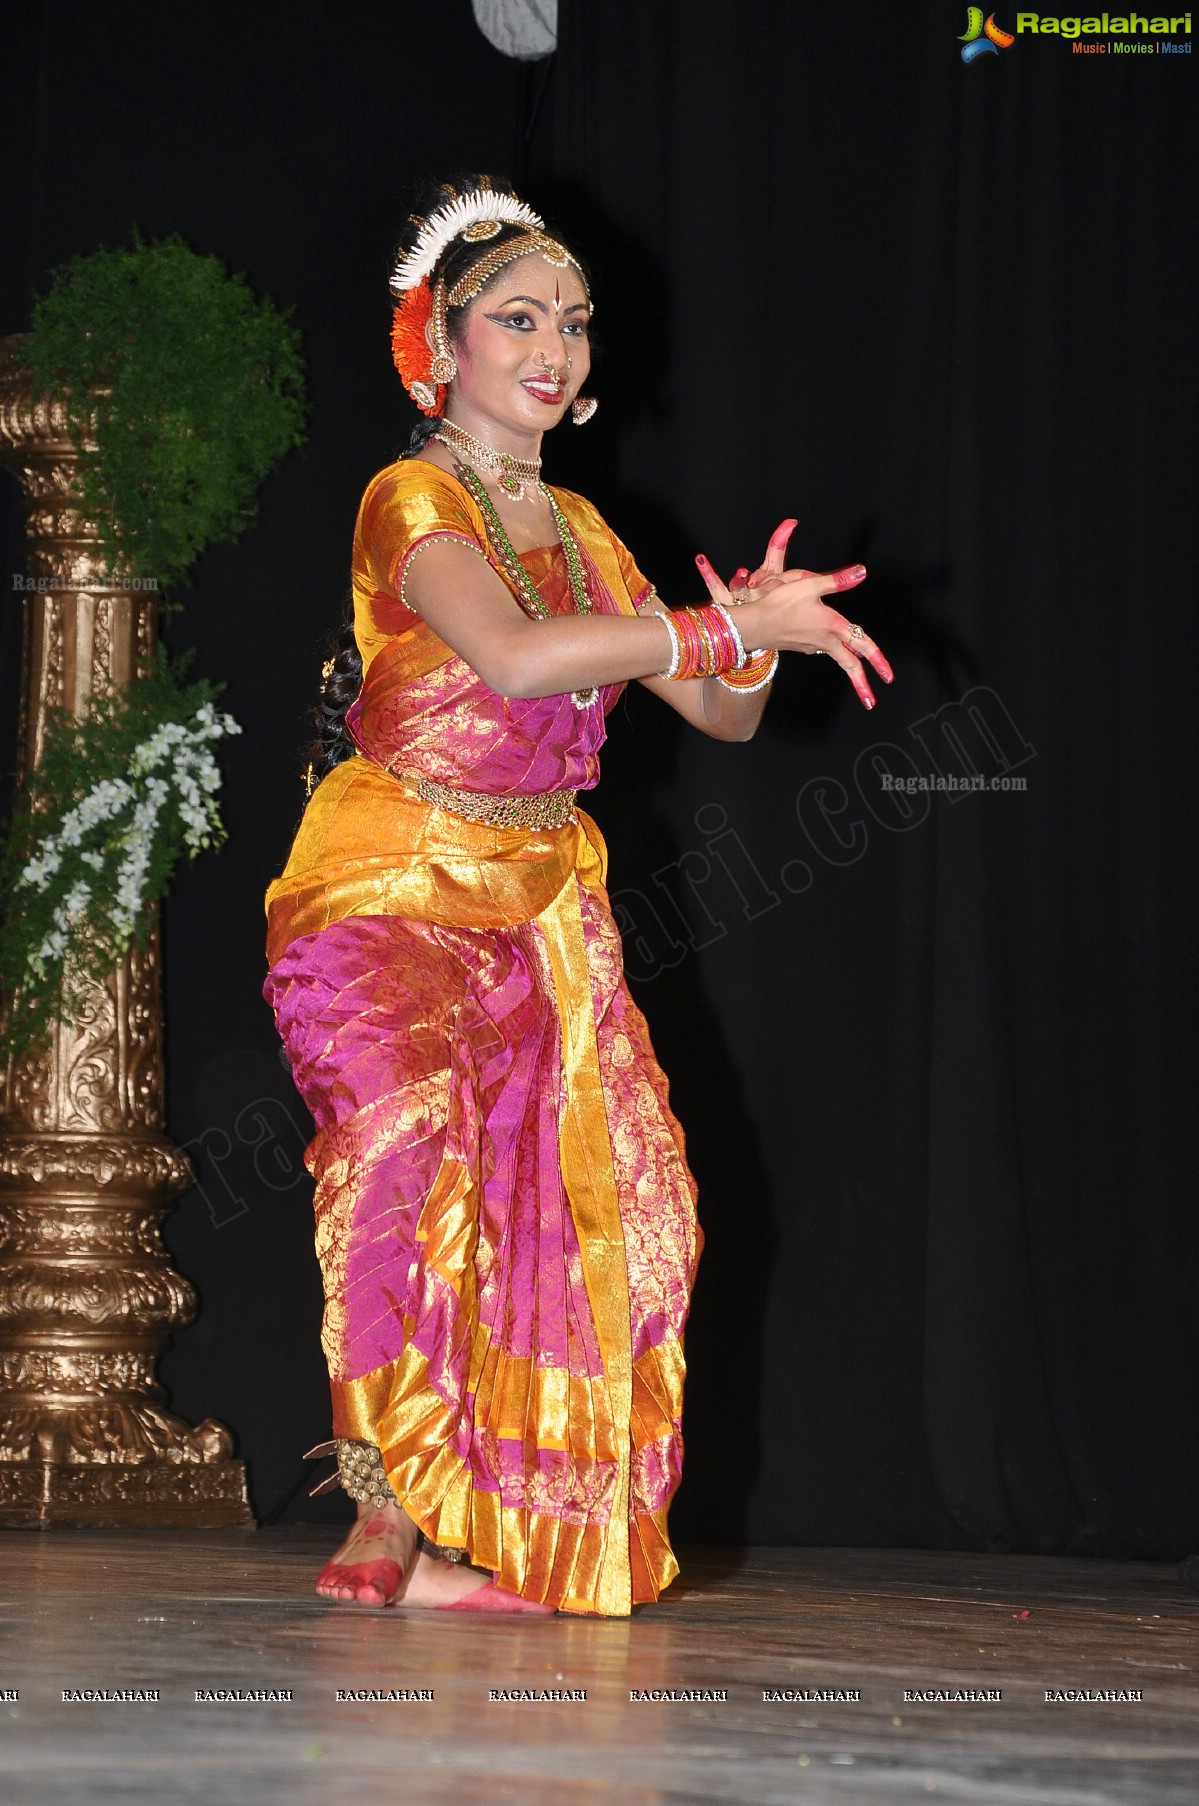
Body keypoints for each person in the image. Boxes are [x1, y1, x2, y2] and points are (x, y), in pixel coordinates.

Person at [263, 176, 891, 1617]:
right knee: (398, 1160)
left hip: (537, 905)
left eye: (577, 323)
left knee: (614, 1208)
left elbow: (717, 715)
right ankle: (379, 1502)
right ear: (442, 340)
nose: (556, 347)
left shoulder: (589, 529)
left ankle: (485, 1523)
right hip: (384, 885)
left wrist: (751, 645)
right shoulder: (408, 498)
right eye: (520, 317)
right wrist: (723, 622)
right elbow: (517, 661)